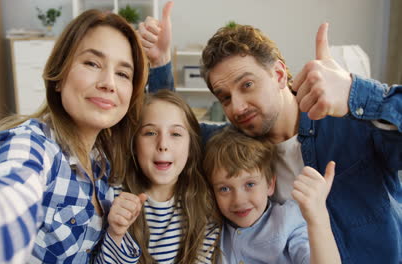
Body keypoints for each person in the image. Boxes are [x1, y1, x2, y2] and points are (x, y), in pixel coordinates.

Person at [143, 14, 402, 264]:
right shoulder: (230, 144)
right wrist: (159, 63)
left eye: (246, 85)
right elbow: (175, 135)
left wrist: (355, 93)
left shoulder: (349, 122)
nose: (237, 107)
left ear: (278, 74)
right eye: (225, 97)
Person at [0, 9, 149, 263]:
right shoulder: (31, 144)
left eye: (123, 73)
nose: (109, 83)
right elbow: (6, 200)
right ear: (59, 76)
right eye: (92, 63)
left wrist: (115, 233)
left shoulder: (102, 162)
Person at [103, 90, 220, 264]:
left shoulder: (204, 202)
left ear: (191, 146)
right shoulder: (115, 198)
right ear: (134, 144)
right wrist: (116, 235)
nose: (163, 145)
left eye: (176, 134)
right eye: (150, 133)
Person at [203, 126, 341, 264]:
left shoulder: (288, 220)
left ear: (270, 184)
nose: (238, 200)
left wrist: (318, 217)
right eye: (224, 189)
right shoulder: (212, 229)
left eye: (250, 184)